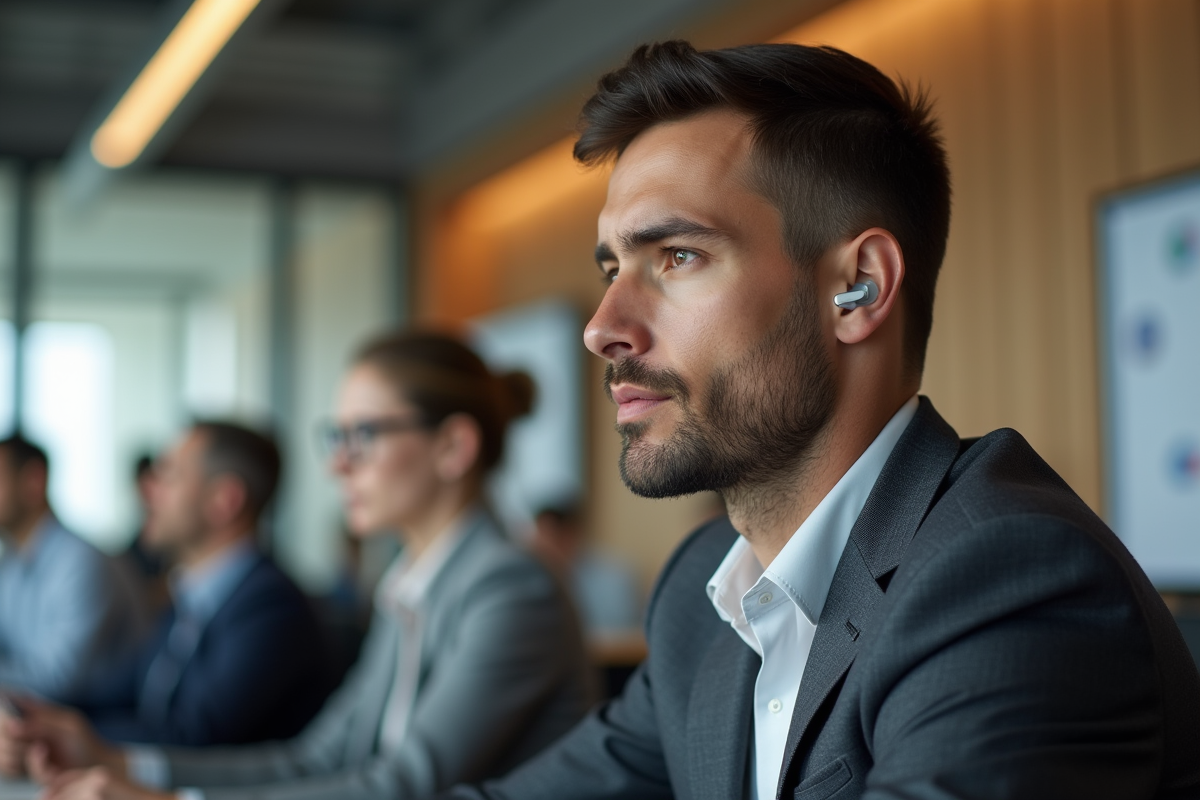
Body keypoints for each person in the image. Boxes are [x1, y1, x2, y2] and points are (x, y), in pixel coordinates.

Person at [432, 41, 1200, 799]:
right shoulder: (703, 590)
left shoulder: (1006, 580)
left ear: (858, 289)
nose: (603, 327)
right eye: (612, 269)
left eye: (675, 256)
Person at [17, 331, 593, 800]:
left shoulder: (513, 587)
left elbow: (407, 785)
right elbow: (315, 759)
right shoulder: (411, 587)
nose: (338, 465)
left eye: (364, 435)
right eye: (336, 437)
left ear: (453, 448)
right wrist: (118, 762)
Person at [69, 421, 325, 747]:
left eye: (167, 475)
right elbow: (121, 694)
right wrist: (36, 716)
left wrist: (70, 736)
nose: (147, 490)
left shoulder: (272, 607)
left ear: (224, 500)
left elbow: (194, 737)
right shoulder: (190, 597)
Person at [0, 435, 147, 704]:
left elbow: (59, 681)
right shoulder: (10, 563)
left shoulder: (81, 563)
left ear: (34, 481)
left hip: (99, 725)